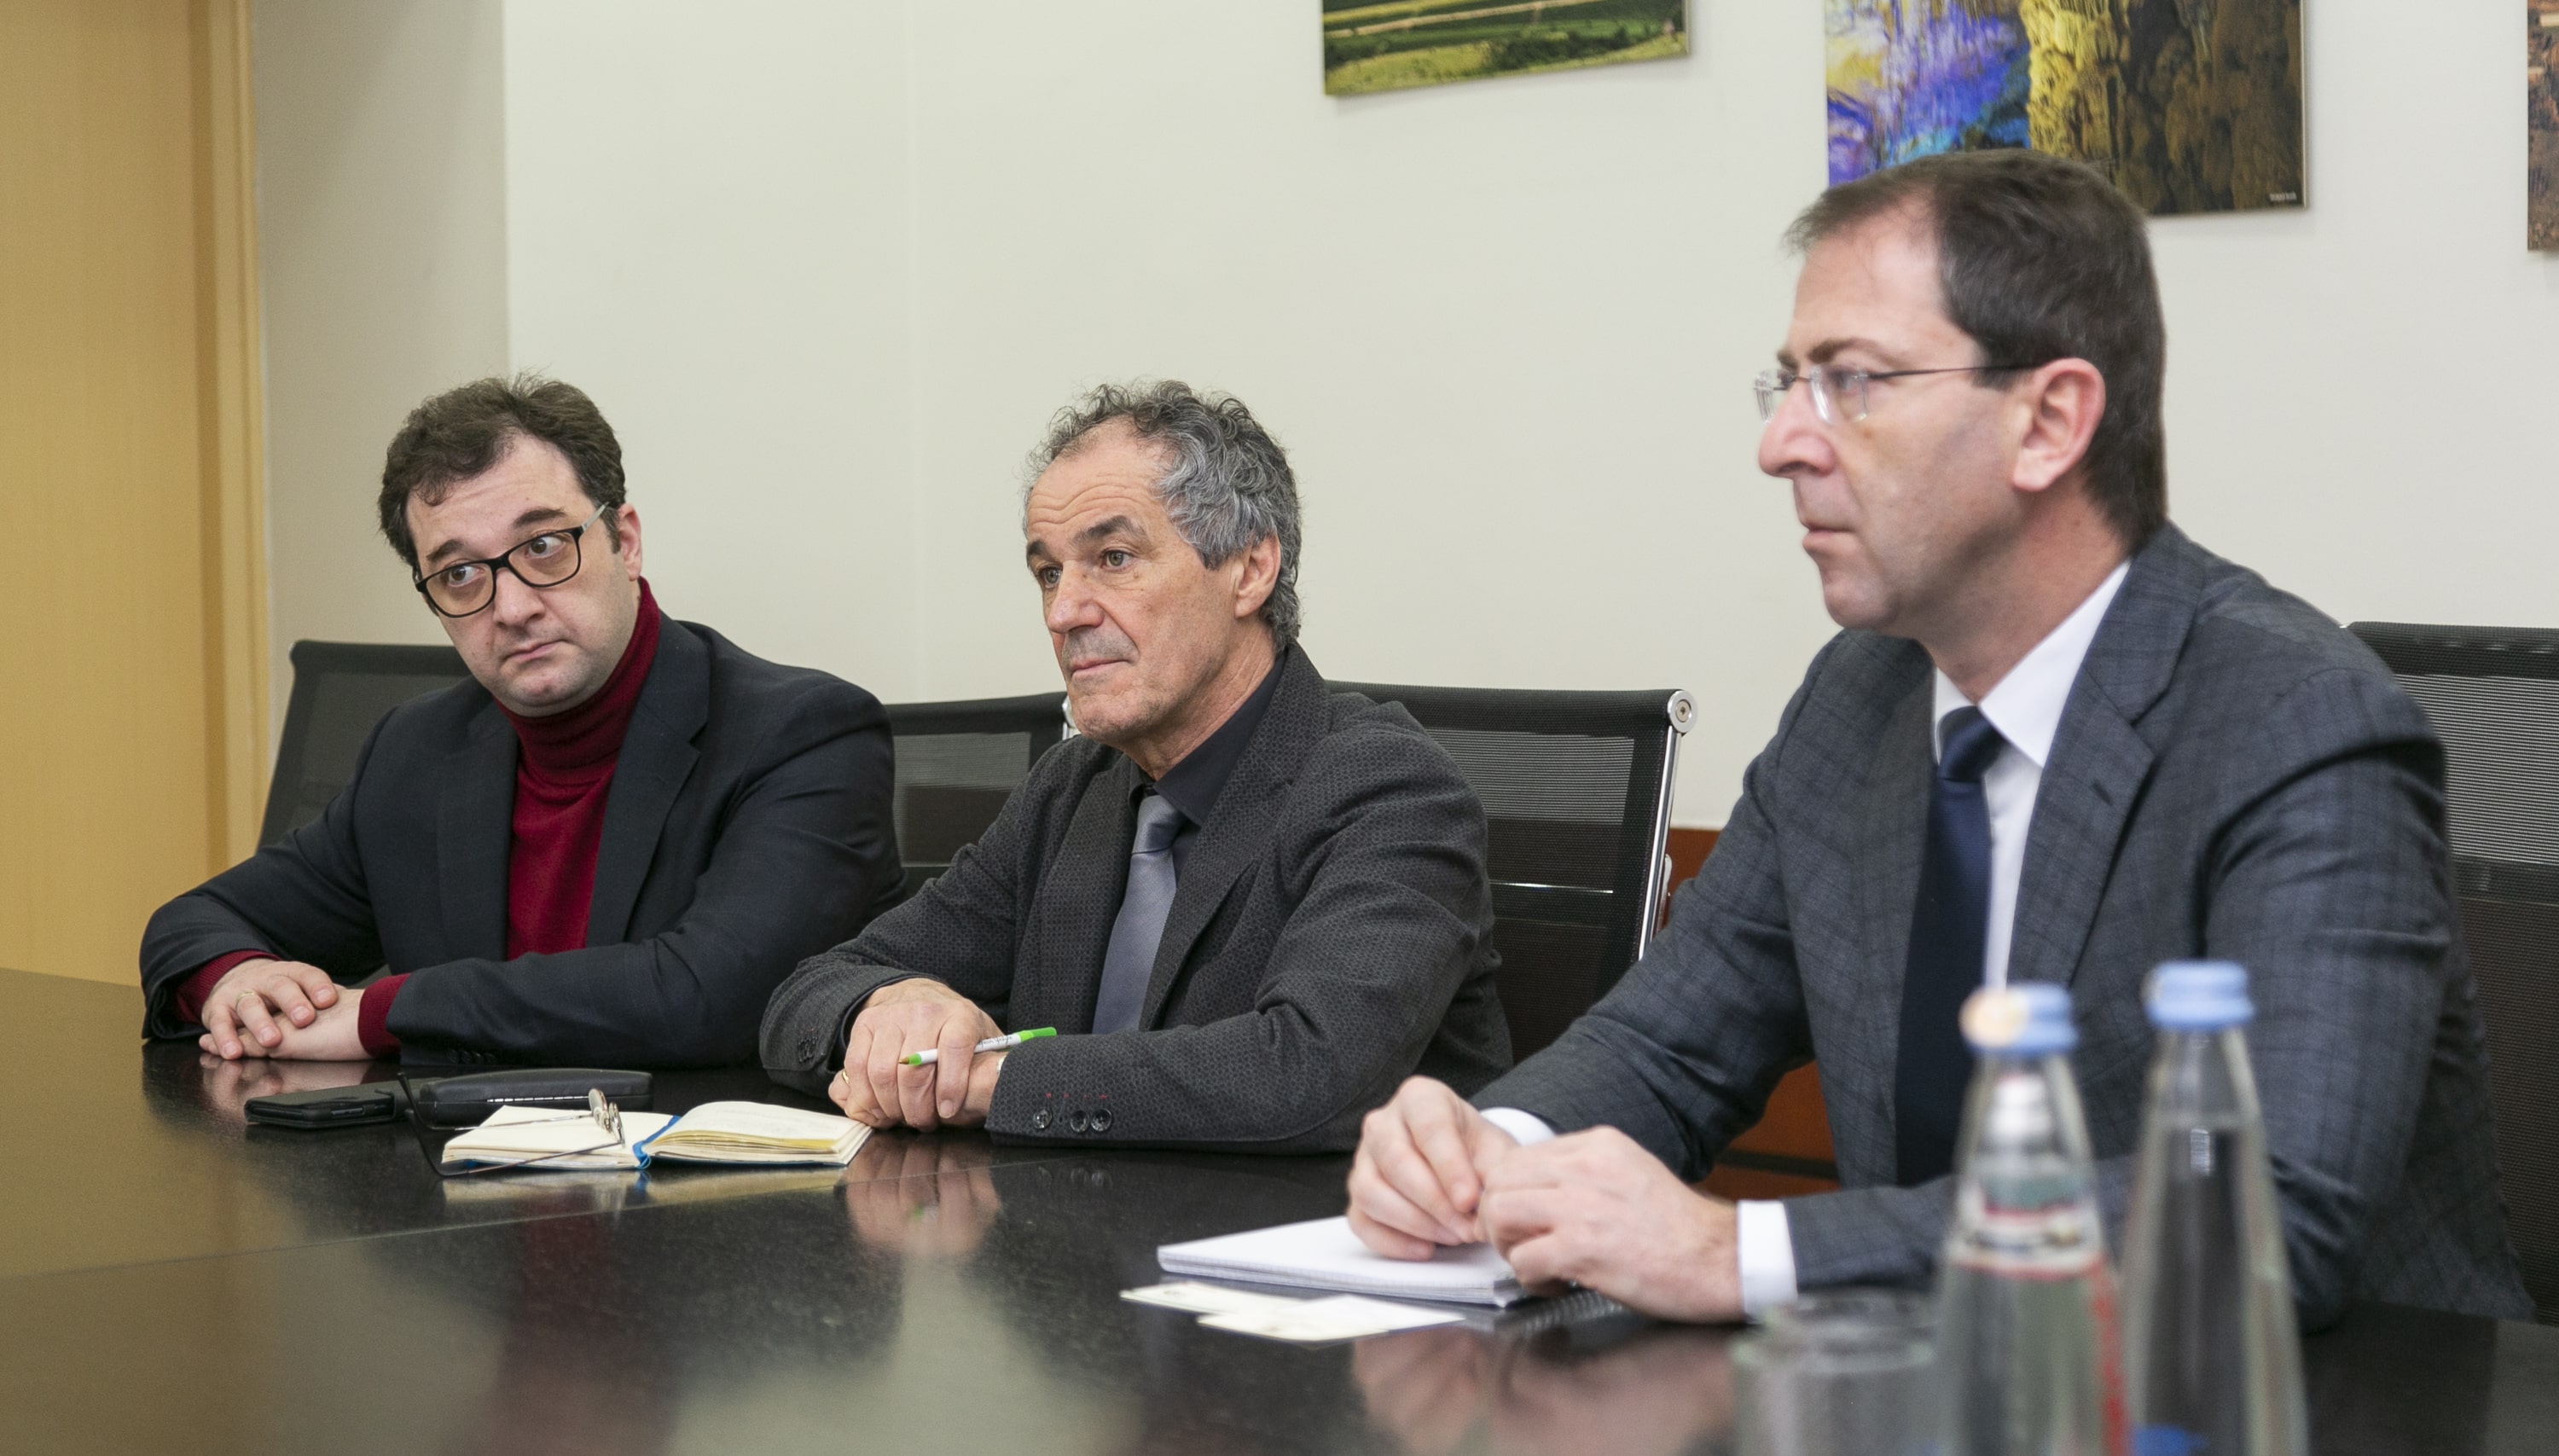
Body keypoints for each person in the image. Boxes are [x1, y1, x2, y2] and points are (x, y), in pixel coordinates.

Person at [1346, 149, 2533, 1329]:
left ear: (2048, 422)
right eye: (1789, 385)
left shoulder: (2298, 725)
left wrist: (1741, 1250)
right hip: (1945, 1383)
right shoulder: (1858, 700)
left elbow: (2273, 1208)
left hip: (2316, 1395)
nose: (1782, 444)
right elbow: (1670, 1044)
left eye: (1853, 382)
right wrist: (1489, 1148)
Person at [761, 380, 1510, 1148]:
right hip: (1059, 1215)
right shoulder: (1070, 787)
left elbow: (1309, 1072)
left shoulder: (1389, 789)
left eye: (1113, 558)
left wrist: (988, 1079)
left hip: (1308, 1221)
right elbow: (804, 995)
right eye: (1049, 573)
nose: (1064, 612)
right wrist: (893, 1002)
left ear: (1250, 569)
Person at [140, 375, 901, 1066]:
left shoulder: (802, 735)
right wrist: (237, 979)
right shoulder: (415, 751)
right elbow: (196, 920)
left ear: (625, 541)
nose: (511, 607)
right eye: (460, 573)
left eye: (542, 547)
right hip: (450, 1164)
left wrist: (382, 1011)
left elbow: (709, 995)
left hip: (696, 1165)